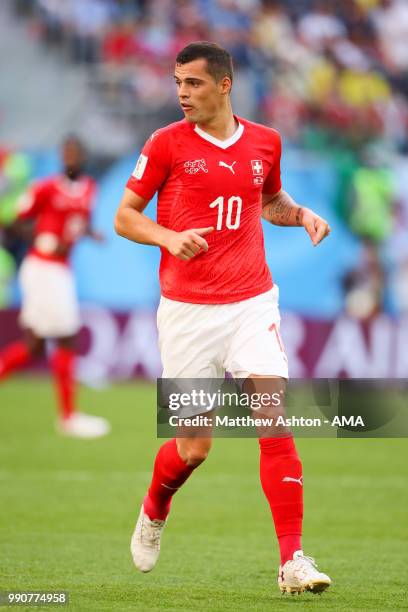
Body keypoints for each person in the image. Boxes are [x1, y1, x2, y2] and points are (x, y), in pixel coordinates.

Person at [115, 42, 331, 594]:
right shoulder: (166, 143)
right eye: (178, 82)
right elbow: (125, 217)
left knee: (272, 418)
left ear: (225, 84)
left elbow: (268, 200)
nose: (182, 92)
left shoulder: (266, 141)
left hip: (251, 302)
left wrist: (301, 213)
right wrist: (168, 236)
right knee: (195, 447)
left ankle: (293, 560)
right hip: (187, 313)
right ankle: (156, 504)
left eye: (194, 83)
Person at [0, 135, 110, 439]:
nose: (70, 157)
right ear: (62, 157)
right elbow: (13, 222)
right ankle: (69, 417)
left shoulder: (90, 189)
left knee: (35, 346)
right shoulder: (45, 188)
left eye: (75, 152)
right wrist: (42, 237)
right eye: (66, 153)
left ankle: (68, 416)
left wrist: (91, 234)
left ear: (83, 156)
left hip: (61, 270)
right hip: (43, 267)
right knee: (67, 339)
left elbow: (78, 222)